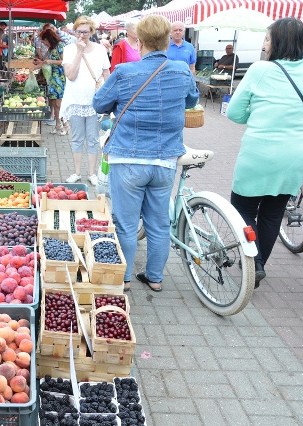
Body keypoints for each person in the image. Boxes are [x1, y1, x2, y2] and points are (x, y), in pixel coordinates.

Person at [93, 14, 199, 292]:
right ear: (167, 39)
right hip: (164, 160)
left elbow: (99, 104)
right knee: (159, 223)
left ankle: (125, 278)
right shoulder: (180, 70)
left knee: (126, 224)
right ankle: (155, 278)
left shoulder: (125, 72)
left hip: (127, 158)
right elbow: (192, 99)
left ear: (139, 41)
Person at [226, 17, 303, 287]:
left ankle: (252, 261)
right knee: (272, 213)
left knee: (242, 208)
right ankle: (259, 267)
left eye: (267, 39)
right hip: (297, 152)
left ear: (276, 42)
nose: (264, 44)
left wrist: (258, 114)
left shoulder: (260, 70)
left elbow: (234, 112)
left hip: (261, 151)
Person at [60, 15, 110, 187]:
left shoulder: (100, 49)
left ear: (91, 32)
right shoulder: (68, 49)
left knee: (93, 138)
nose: (82, 35)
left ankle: (92, 173)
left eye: (86, 32)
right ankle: (76, 172)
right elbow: (71, 75)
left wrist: (108, 96)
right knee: (77, 138)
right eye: (79, 32)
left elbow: (106, 74)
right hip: (75, 99)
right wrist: (79, 51)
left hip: (94, 100)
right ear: (74, 31)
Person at [34, 28, 67, 135]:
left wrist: (50, 61)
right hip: (52, 79)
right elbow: (45, 61)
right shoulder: (50, 48)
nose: (43, 43)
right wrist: (39, 63)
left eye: (44, 41)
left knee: (59, 104)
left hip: (60, 78)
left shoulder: (60, 47)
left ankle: (65, 126)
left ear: (49, 39)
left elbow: (64, 61)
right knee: (53, 102)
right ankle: (58, 125)